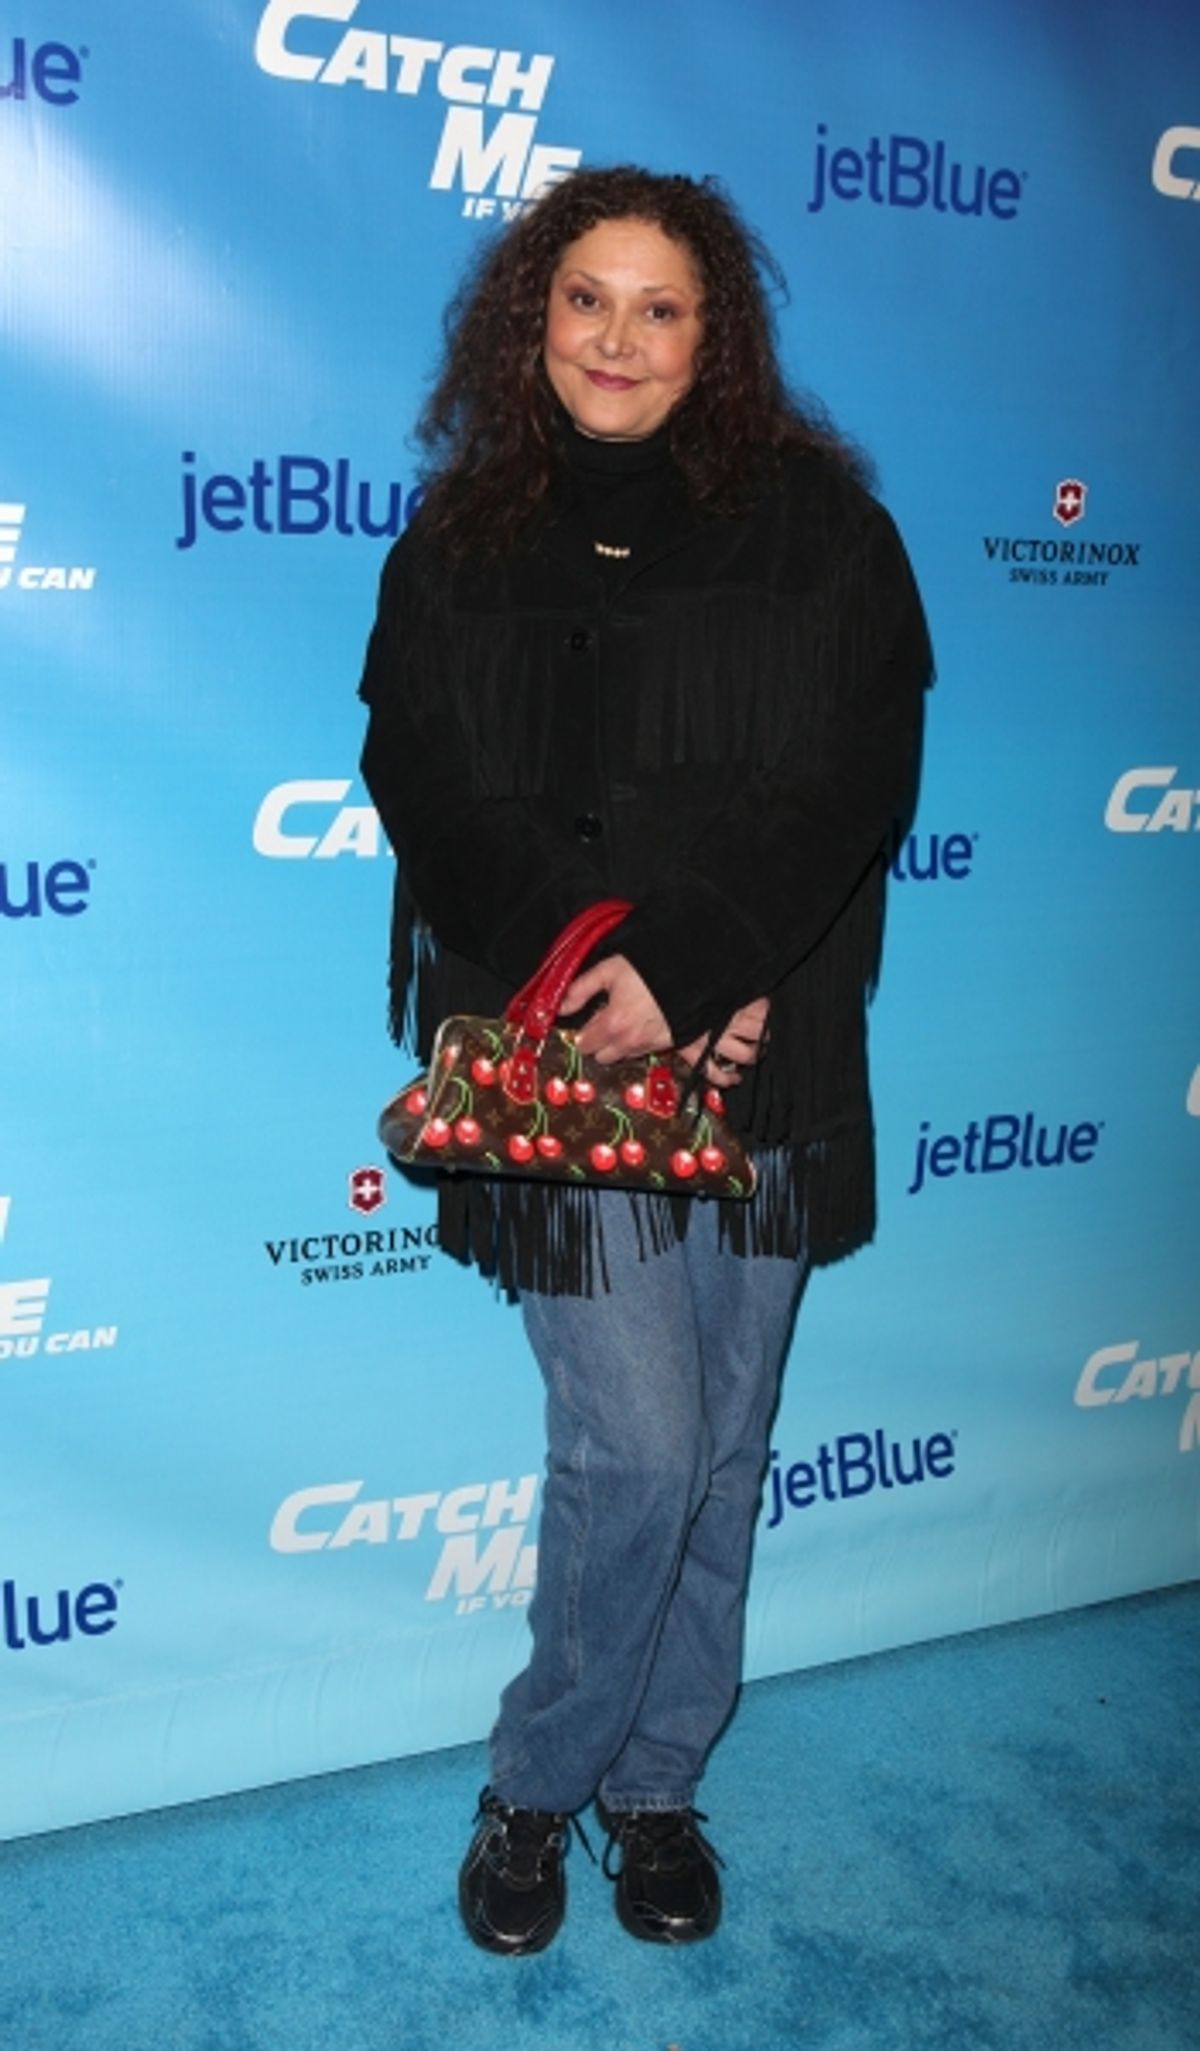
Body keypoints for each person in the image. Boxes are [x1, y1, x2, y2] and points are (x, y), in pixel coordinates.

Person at [358, 165, 931, 1954]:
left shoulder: (827, 531)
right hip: (563, 1054)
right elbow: (428, 786)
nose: (618, 337)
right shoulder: (454, 543)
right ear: (532, 319)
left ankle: (659, 1781)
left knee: (732, 1439)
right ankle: (538, 1786)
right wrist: (613, 967)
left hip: (768, 1034)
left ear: (717, 335)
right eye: (584, 299)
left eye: (660, 306)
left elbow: (854, 779)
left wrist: (708, 967)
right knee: (644, 1442)